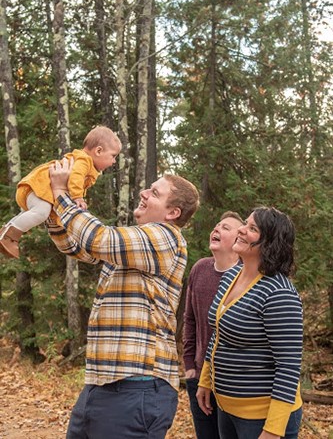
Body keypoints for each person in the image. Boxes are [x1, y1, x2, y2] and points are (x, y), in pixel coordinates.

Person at [46, 157, 200, 439]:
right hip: (102, 384)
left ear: (173, 212)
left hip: (136, 387)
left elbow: (99, 239)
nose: (144, 193)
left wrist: (61, 195)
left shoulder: (165, 237)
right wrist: (52, 209)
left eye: (155, 193)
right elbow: (77, 246)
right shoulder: (134, 243)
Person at [197, 206, 303, 439]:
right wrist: (206, 381)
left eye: (252, 228)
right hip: (226, 410)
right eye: (245, 224)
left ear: (270, 242)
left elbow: (289, 366)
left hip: (261, 419)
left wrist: (273, 430)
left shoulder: (279, 293)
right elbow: (218, 333)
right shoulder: (230, 277)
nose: (241, 230)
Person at [0, 126, 121, 259]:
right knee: (41, 212)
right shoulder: (84, 161)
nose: (114, 161)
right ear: (98, 151)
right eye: (113, 156)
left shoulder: (84, 162)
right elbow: (76, 177)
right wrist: (78, 197)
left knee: (29, 214)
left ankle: (5, 234)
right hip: (37, 187)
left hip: (34, 190)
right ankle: (10, 236)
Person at [183, 211, 244, 439]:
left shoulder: (246, 276)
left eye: (226, 228)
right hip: (199, 377)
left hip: (233, 382)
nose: (217, 229)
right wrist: (189, 365)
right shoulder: (200, 268)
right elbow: (189, 320)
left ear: (239, 240)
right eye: (217, 225)